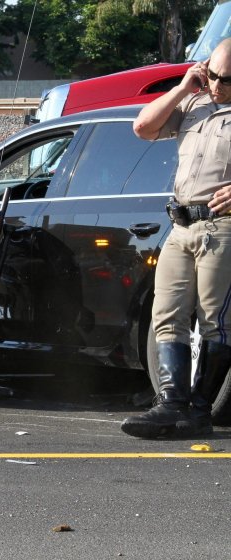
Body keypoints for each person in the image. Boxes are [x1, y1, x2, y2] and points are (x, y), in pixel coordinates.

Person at [122, 38, 231, 438]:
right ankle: (171, 404)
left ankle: (199, 412)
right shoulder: (195, 101)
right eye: (214, 74)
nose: (218, 85)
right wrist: (184, 87)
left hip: (223, 227)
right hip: (181, 224)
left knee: (216, 322)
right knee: (166, 314)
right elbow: (142, 127)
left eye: (227, 80)